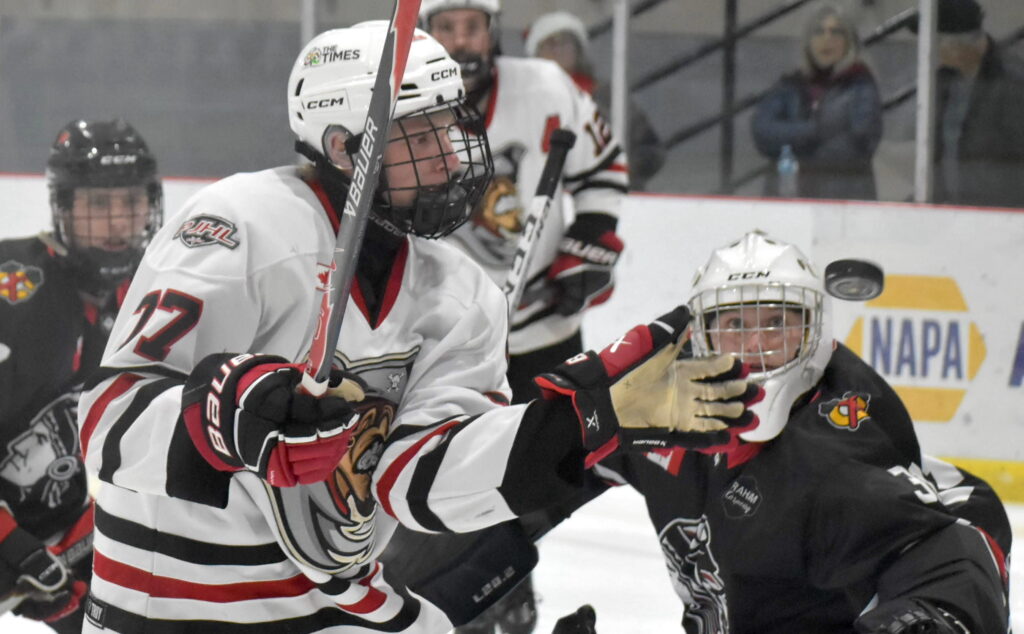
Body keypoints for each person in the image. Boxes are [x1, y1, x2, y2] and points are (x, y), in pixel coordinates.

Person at [76, 22, 760, 633]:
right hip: (164, 610)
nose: (451, 154)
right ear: (344, 147)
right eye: (420, 133)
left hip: (330, 609)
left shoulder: (460, 294)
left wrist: (586, 417)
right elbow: (105, 422)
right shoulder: (239, 227)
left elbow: (421, 480)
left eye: (452, 125)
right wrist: (223, 413)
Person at [574, 231, 1010, 632]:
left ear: (812, 332)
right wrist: (509, 534)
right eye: (735, 325)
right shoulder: (666, 413)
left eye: (776, 323)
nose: (754, 346)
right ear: (701, 336)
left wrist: (937, 613)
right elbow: (568, 457)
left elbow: (941, 550)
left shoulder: (825, 461)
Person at [0, 118, 163, 633]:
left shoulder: (152, 290)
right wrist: (9, 541)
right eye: (99, 205)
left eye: (131, 202)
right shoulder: (12, 281)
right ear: (64, 207)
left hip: (65, 528)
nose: (119, 222)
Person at [752, 3, 882, 200]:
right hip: (789, 200)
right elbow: (763, 132)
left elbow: (859, 145)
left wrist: (793, 146)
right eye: (818, 32)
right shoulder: (790, 85)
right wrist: (814, 131)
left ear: (848, 42)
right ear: (808, 41)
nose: (826, 39)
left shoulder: (860, 86)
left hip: (844, 203)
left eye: (835, 32)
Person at [524, 11, 667, 191]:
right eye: (550, 43)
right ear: (536, 53)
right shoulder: (524, 100)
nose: (558, 49)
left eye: (566, 41)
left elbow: (650, 151)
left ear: (578, 49)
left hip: (608, 201)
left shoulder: (608, 97)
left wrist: (619, 174)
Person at [911, 0, 1024, 208]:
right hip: (952, 205)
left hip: (999, 210)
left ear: (959, 45)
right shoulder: (942, 80)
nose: (934, 50)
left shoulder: (1012, 82)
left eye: (938, 42)